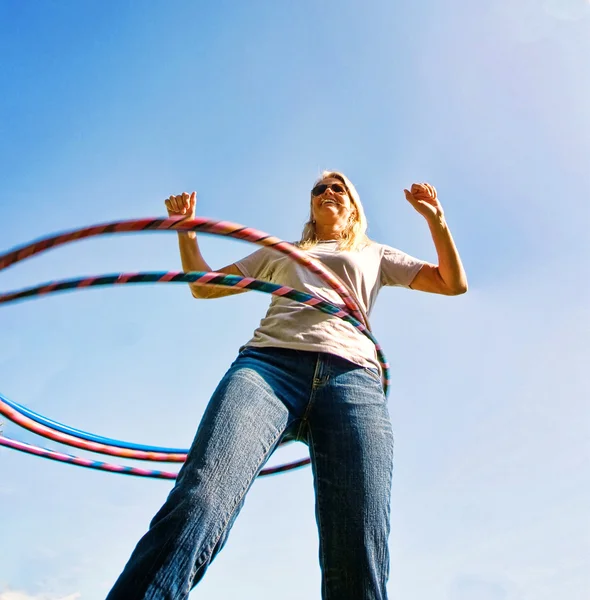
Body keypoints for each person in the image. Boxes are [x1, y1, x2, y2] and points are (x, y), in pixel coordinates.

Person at [106, 171, 467, 600]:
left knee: (360, 532)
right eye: (319, 189)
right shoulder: (283, 252)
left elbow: (451, 283)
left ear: (353, 205)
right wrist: (187, 233)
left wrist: (436, 220)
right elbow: (204, 288)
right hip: (268, 368)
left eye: (339, 188)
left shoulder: (374, 253)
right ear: (311, 206)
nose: (328, 193)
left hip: (353, 378)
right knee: (202, 496)